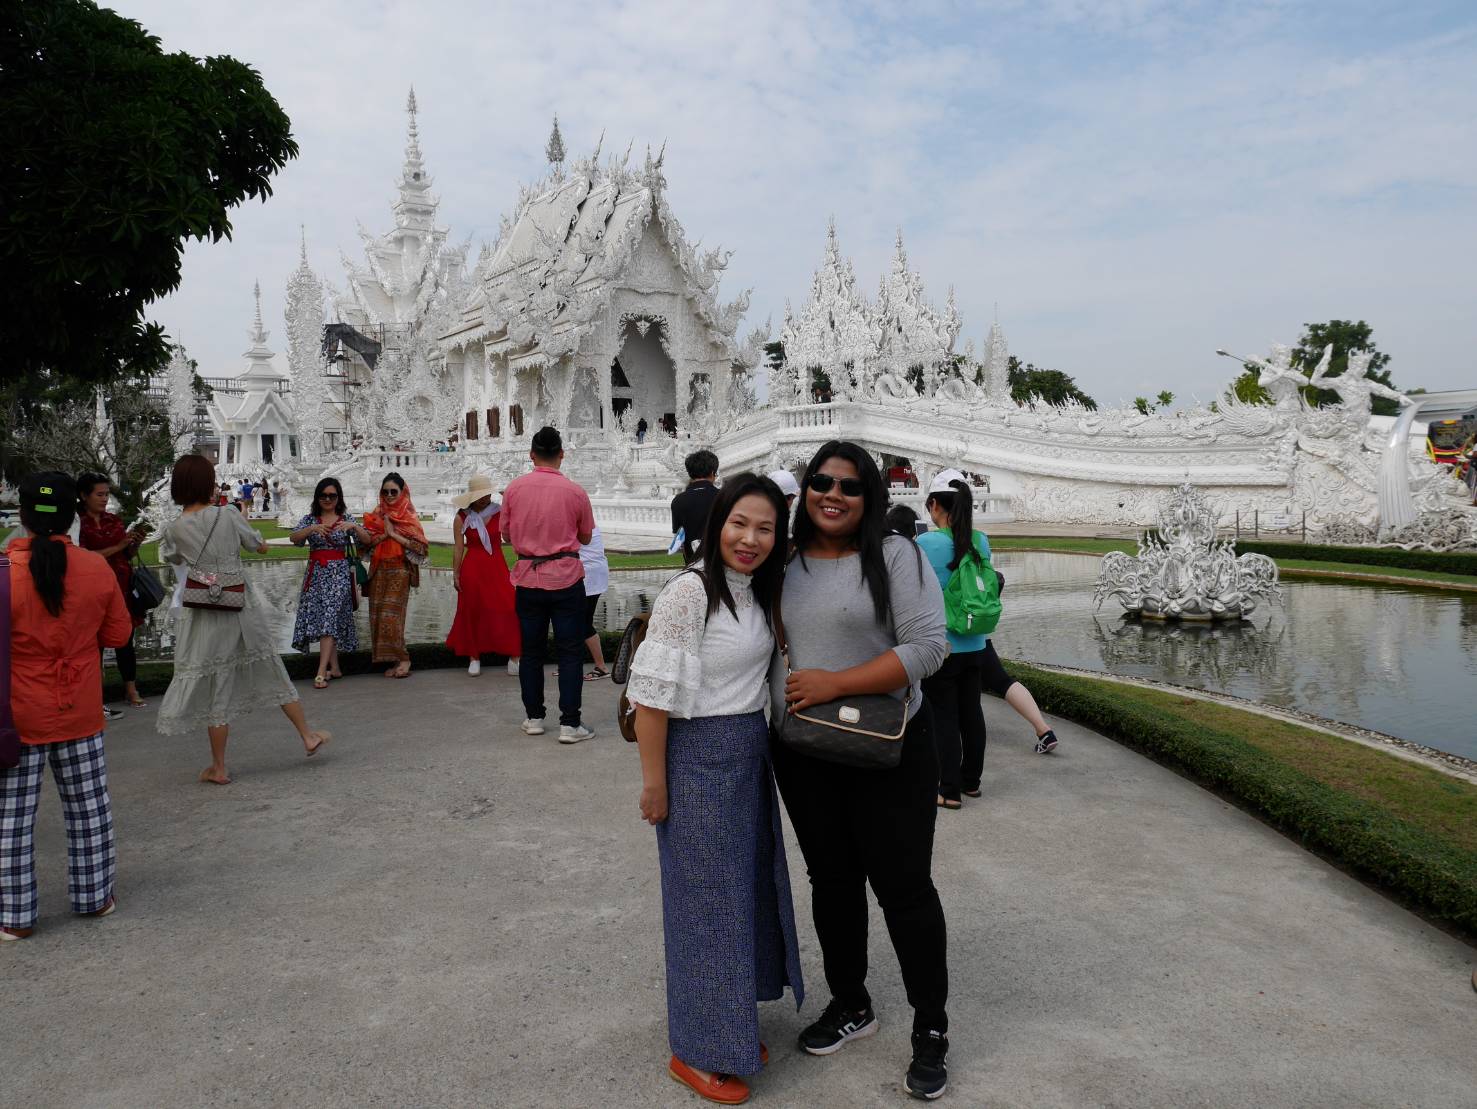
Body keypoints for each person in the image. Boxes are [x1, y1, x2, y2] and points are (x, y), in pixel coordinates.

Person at [769, 440, 952, 1100]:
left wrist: (831, 683)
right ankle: (852, 1001)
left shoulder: (894, 554)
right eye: (821, 480)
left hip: (889, 744)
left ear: (870, 495)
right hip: (804, 747)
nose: (833, 494)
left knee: (903, 887)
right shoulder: (784, 559)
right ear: (806, 488)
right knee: (832, 878)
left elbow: (928, 646)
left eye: (849, 485)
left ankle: (930, 1026)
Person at [629, 473, 803, 1103]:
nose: (750, 539)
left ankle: (728, 1025)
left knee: (742, 898)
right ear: (717, 523)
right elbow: (650, 698)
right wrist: (655, 786)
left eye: (765, 527)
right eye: (739, 524)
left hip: (746, 760)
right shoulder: (689, 592)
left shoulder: (757, 592)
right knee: (704, 909)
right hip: (696, 763)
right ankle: (697, 1050)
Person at [1, 473, 132, 941]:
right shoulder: (95, 570)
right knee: (88, 809)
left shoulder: (5, 574)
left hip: (18, 714)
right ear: (74, 516)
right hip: (78, 706)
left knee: (12, 819)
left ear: (23, 517)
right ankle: (94, 896)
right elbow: (118, 636)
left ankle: (16, 915)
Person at [156, 455, 331, 782]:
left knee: (216, 686)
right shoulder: (228, 514)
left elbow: (172, 557)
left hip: (205, 608)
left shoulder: (175, 528)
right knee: (270, 666)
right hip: (240, 603)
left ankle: (219, 767)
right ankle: (307, 735)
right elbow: (259, 547)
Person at [500, 426, 596, 743]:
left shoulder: (514, 490)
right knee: (569, 652)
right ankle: (570, 723)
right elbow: (585, 537)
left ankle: (534, 717)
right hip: (566, 577)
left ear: (531, 455)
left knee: (531, 653)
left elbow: (506, 536)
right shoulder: (575, 492)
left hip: (528, 578)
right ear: (561, 455)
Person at [916, 470, 993, 810]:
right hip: (976, 641)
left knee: (943, 717)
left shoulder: (925, 543)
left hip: (942, 645)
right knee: (971, 712)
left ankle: (948, 790)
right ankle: (971, 782)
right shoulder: (981, 541)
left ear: (934, 505)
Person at [76, 472, 149, 714]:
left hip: (120, 586)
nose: (105, 499)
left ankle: (131, 689)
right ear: (84, 495)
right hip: (91, 590)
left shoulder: (113, 521)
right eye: (100, 494)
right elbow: (82, 557)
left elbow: (124, 555)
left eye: (107, 494)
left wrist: (133, 544)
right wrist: (117, 546)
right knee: (93, 643)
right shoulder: (78, 524)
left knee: (124, 639)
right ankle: (95, 696)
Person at [290, 477, 371, 689]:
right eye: (323, 495)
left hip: (338, 575)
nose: (327, 499)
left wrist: (353, 526)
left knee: (328, 619)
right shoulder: (310, 519)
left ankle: (320, 672)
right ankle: (334, 667)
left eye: (332, 495)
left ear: (338, 498)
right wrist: (311, 530)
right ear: (318, 497)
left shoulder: (345, 519)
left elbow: (367, 539)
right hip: (316, 575)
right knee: (328, 618)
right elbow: (294, 538)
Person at [446, 474, 521, 675]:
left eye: (487, 494)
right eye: (480, 495)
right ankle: (474, 657)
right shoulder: (462, 516)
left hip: (496, 565)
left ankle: (514, 655)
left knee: (508, 607)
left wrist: (511, 503)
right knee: (472, 610)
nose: (484, 498)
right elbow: (458, 548)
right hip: (473, 567)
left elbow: (513, 535)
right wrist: (456, 573)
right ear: (471, 496)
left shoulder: (500, 512)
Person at [362, 472, 429, 679]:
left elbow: (420, 548)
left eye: (394, 491)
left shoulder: (408, 516)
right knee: (378, 617)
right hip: (378, 570)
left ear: (402, 492)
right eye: (386, 491)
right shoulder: (377, 513)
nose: (389, 495)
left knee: (392, 618)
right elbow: (365, 544)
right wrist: (382, 535)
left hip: (400, 569)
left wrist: (393, 535)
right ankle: (392, 660)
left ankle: (404, 658)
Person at [671, 449, 720, 564]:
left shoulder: (678, 500)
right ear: (713, 473)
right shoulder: (723, 497)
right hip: (718, 561)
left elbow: (679, 538)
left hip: (692, 562)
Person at [580, 524, 610, 680]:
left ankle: (601, 667)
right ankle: (571, 663)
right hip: (590, 574)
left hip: (588, 576)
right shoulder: (585, 521)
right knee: (577, 621)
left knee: (584, 622)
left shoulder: (578, 523)